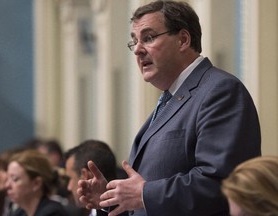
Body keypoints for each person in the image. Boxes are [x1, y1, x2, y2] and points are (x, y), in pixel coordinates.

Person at [77, 1, 261, 215]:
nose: (137, 50)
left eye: (149, 37)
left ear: (183, 40)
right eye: (134, 41)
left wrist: (145, 193)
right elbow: (149, 192)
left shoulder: (220, 91)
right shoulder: (170, 99)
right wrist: (113, 198)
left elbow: (222, 184)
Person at [65, 139, 127, 216]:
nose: (69, 187)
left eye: (70, 178)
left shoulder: (130, 212)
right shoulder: (78, 212)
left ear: (85, 175)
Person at [5, 149, 68, 216]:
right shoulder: (19, 213)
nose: (7, 185)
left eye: (15, 179)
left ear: (36, 183)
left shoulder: (53, 213)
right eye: (7, 178)